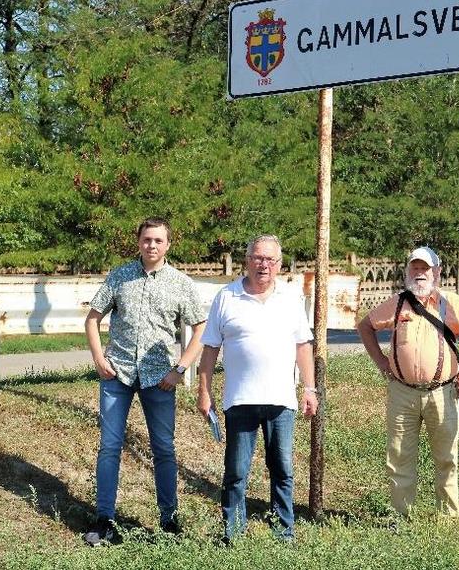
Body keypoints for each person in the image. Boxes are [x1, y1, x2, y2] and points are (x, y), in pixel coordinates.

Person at [82, 217, 208, 546]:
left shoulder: (181, 283)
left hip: (159, 379)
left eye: (158, 240)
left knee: (164, 449)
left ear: (168, 244)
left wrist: (179, 369)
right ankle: (104, 519)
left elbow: (201, 329)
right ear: (138, 241)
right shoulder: (120, 276)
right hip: (117, 374)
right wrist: (99, 359)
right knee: (110, 447)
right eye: (146, 239)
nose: (151, 245)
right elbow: (93, 319)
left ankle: (168, 521)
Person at [197, 234, 318, 542]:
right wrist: (204, 390)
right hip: (240, 400)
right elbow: (209, 347)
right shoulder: (227, 296)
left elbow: (303, 345)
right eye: (258, 258)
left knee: (282, 469)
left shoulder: (291, 298)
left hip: (281, 401)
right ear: (247, 261)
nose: (263, 265)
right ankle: (233, 534)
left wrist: (309, 388)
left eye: (270, 260)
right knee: (236, 472)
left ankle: (283, 533)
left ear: (279, 264)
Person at [356, 246, 459, 517]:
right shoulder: (398, 303)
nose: (420, 274)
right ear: (408, 271)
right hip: (402, 393)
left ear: (437, 272)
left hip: (444, 391)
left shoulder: (451, 303)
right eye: (415, 268)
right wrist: (382, 363)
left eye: (425, 269)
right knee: (399, 456)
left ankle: (449, 519)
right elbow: (365, 326)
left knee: (447, 458)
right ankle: (401, 517)